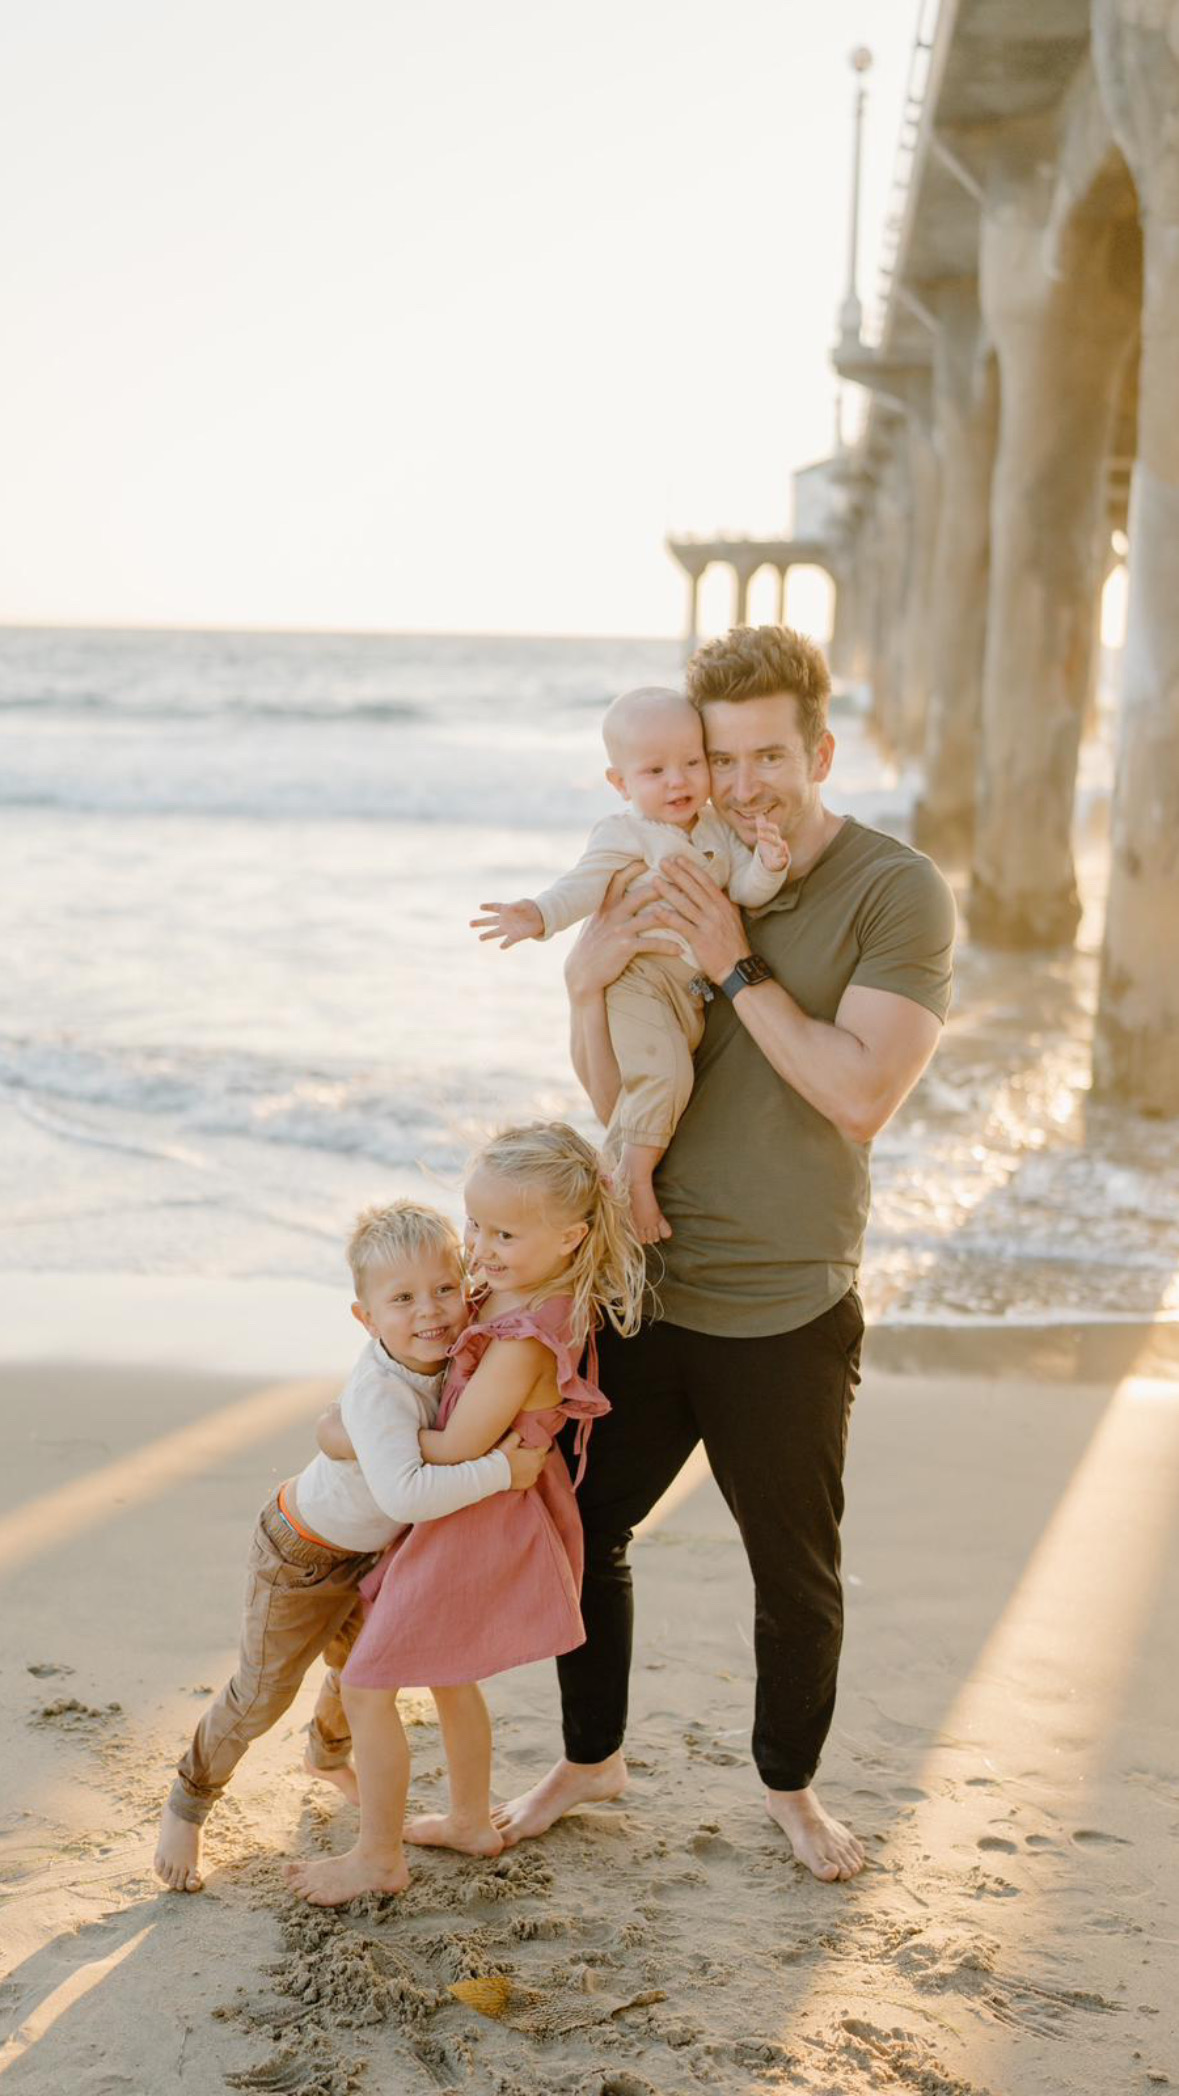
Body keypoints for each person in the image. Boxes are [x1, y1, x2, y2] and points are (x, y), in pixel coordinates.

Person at [492, 624, 957, 1884]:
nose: (740, 783)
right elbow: (616, 1093)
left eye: (767, 756)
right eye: (719, 757)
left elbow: (859, 1092)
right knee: (582, 1524)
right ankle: (589, 1758)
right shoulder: (672, 852)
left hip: (785, 1304)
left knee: (792, 1573)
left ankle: (790, 1787)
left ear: (820, 750)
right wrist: (582, 984)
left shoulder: (894, 889)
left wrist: (732, 962)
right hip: (647, 1285)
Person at [286, 1121, 645, 1907]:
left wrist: (358, 1436)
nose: (478, 1247)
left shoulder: (525, 1337)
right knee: (449, 1680)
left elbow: (456, 1446)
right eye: (474, 1224)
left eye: (503, 1233)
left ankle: (378, 1857)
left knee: (369, 1685)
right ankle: (471, 1820)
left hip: (477, 1512)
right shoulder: (511, 1287)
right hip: (476, 1506)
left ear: (569, 1236)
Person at [153, 1199, 545, 1894]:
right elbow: (405, 1494)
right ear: (366, 1318)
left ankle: (327, 1757)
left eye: (444, 1288)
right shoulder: (379, 1393)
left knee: (360, 1669)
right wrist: (500, 1473)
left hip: (372, 1553)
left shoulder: (455, 1343)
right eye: (402, 1299)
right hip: (301, 1553)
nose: (430, 1311)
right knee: (263, 1693)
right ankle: (188, 1803)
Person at [470, 686, 789, 1244]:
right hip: (639, 980)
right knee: (664, 1077)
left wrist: (770, 862)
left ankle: (602, 1199)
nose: (677, 781)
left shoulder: (716, 828)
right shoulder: (624, 832)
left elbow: (745, 887)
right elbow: (583, 886)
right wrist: (539, 915)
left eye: (692, 763)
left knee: (665, 1082)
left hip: (690, 991)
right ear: (620, 783)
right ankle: (633, 1181)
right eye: (655, 771)